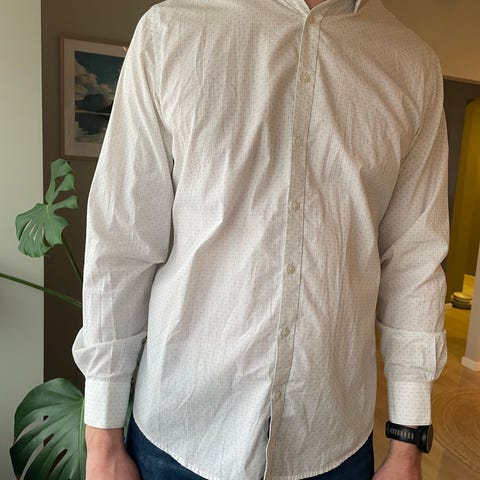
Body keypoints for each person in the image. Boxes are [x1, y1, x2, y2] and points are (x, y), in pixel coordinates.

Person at [72, 0, 449, 478]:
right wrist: (102, 439)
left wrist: (407, 443)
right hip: (179, 438)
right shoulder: (171, 31)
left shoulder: (411, 65)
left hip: (332, 442)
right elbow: (122, 242)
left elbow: (414, 262)